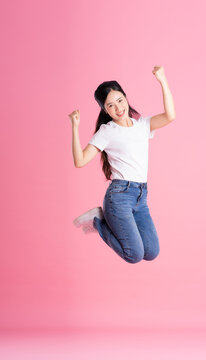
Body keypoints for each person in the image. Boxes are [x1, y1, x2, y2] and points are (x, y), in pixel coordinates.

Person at [68, 66, 176, 264]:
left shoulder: (142, 125)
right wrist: (75, 128)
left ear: (126, 98)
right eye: (110, 105)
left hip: (141, 197)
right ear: (105, 110)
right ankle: (97, 221)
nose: (118, 108)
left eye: (120, 100)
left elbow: (170, 116)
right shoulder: (107, 131)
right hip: (119, 197)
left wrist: (162, 81)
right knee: (134, 255)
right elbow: (80, 161)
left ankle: (101, 219)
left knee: (151, 252)